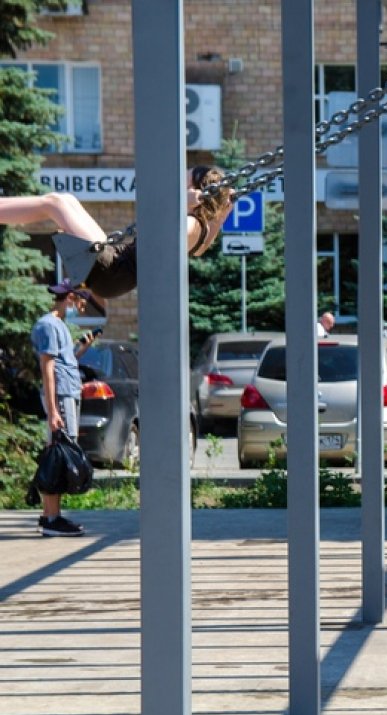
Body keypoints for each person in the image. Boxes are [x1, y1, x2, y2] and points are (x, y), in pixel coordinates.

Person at [0, 165, 233, 301]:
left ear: (194, 191)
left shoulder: (190, 223)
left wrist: (183, 205)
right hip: (114, 265)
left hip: (112, 270)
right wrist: (224, 210)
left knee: (55, 205)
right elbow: (202, 248)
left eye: (185, 179)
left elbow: (165, 234)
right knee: (64, 200)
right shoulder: (202, 228)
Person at [32, 279, 96, 537]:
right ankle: (51, 519)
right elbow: (47, 368)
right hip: (59, 397)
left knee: (60, 452)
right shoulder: (48, 325)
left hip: (68, 393)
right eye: (81, 301)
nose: (82, 307)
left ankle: (51, 515)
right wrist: (54, 410)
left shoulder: (59, 326)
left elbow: (64, 363)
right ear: (69, 297)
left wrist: (82, 349)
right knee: (57, 455)